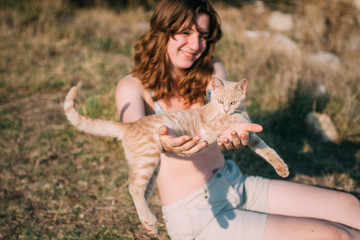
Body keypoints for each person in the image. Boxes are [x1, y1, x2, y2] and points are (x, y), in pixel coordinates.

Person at [115, 0, 360, 239]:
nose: (195, 44)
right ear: (163, 29)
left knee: (350, 206)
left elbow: (236, 117)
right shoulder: (132, 87)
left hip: (235, 181)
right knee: (337, 235)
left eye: (203, 35)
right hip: (198, 210)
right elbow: (135, 137)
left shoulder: (211, 70)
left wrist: (237, 132)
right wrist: (164, 144)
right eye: (185, 32)